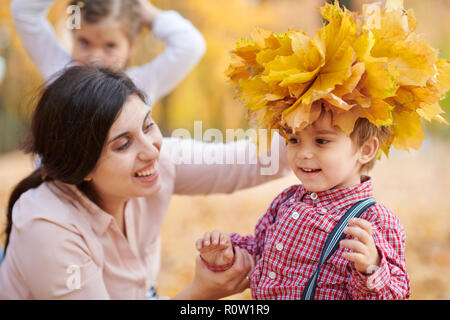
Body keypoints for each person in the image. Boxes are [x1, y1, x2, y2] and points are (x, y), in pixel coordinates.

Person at [196, 1, 449, 300]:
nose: (303, 154)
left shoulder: (374, 221)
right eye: (293, 140)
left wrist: (371, 269)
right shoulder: (286, 202)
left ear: (365, 150)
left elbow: (396, 293)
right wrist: (228, 254)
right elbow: (260, 251)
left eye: (322, 141)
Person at [0, 66, 289, 299]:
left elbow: (254, 161)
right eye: (123, 144)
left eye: (148, 125)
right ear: (82, 165)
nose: (152, 150)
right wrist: (200, 294)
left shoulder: (154, 162)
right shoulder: (47, 226)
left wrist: (320, 113)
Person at [11, 0, 206, 105]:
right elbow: (23, 11)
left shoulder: (139, 85)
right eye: (84, 42)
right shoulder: (58, 69)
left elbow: (191, 45)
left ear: (132, 46)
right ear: (73, 35)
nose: (95, 57)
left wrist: (145, 11)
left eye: (110, 46)